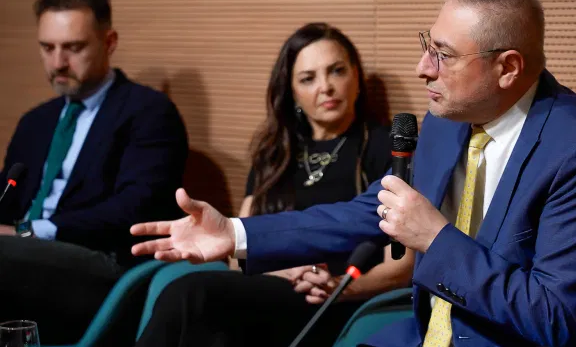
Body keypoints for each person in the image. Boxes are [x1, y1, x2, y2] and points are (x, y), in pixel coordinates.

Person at [132, 0, 576, 347]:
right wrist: (237, 233)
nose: (423, 68)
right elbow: (365, 212)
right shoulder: (445, 122)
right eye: (427, 45)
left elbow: (558, 320)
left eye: (443, 55)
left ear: (508, 68)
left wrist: (434, 238)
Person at [135, 22, 414, 347]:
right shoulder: (276, 153)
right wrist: (286, 273)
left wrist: (340, 287)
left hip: (340, 301)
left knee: (192, 295)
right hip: (269, 289)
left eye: (337, 71)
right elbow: (236, 257)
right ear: (292, 92)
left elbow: (401, 265)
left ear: (356, 76)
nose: (326, 87)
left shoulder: (386, 148)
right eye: (308, 78)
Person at [0, 0, 188, 344]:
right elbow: (8, 194)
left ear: (109, 42)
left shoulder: (148, 113)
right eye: (48, 48)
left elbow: (134, 210)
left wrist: (27, 232)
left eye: (73, 48)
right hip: (22, 257)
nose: (58, 62)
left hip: (102, 262)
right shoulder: (36, 121)